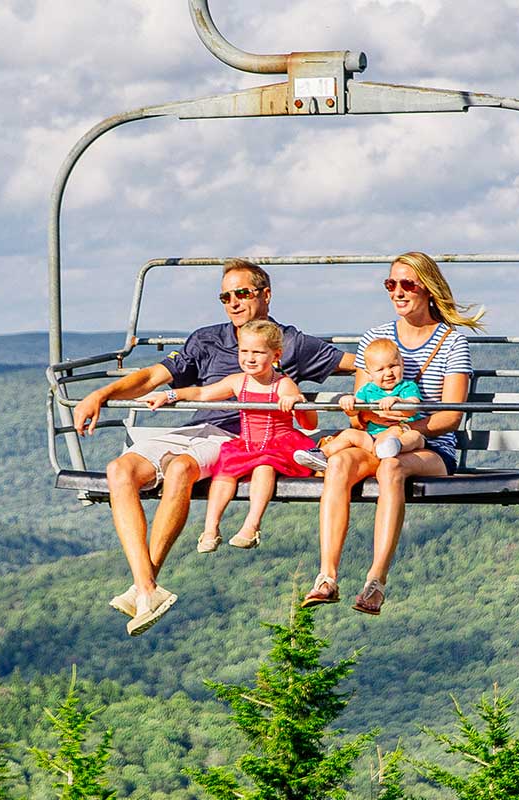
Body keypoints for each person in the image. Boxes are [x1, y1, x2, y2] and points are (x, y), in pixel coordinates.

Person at [72, 259, 353, 636]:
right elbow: (154, 376)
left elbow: (356, 364)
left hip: (239, 439)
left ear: (265, 295)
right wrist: (101, 394)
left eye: (243, 293)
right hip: (196, 427)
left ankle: (144, 588)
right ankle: (146, 587)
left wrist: (388, 387)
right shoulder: (206, 339)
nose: (233, 303)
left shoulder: (288, 342)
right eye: (225, 296)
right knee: (118, 471)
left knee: (179, 469)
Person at [300, 251, 485, 616]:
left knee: (391, 469)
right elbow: (360, 417)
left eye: (407, 284)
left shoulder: (452, 342)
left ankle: (375, 580)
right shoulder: (376, 338)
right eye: (391, 284)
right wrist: (356, 410)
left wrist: (404, 430)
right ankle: (327, 576)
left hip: (428, 447)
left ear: (428, 288)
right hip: (375, 438)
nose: (398, 292)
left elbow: (450, 417)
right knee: (338, 464)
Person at [145, 319, 318, 553]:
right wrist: (171, 395)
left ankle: (251, 525)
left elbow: (310, 423)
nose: (250, 357)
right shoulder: (239, 382)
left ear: (276, 355)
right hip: (248, 443)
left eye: (258, 352)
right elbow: (203, 393)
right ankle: (210, 529)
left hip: (278, 445)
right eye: (244, 351)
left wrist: (297, 403)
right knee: (224, 472)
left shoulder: (283, 385)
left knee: (263, 468)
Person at [292, 337, 427, 468]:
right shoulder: (368, 389)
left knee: (414, 436)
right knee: (349, 434)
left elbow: (413, 406)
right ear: (369, 374)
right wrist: (350, 402)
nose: (388, 373)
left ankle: (394, 446)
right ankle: (322, 454)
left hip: (399, 433)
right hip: (373, 437)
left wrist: (398, 400)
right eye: (380, 370)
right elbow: (355, 410)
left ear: (402, 364)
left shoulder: (407, 387)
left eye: (393, 366)